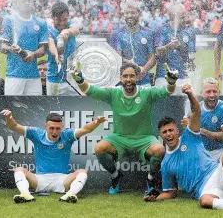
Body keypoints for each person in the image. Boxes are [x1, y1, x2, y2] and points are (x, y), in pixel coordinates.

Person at [144, 84, 223, 213]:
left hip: (219, 174)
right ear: (160, 135)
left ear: (177, 130)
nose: (168, 134)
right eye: (164, 132)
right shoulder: (166, 163)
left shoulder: (190, 136)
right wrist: (154, 198)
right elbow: (170, 192)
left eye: (171, 130)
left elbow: (196, 111)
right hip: (207, 191)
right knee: (204, 201)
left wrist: (190, 94)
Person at [70, 61, 178, 194]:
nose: (128, 79)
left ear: (137, 77)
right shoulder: (113, 93)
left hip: (144, 139)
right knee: (99, 148)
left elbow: (168, 91)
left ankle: (150, 179)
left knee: (160, 150)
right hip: (119, 138)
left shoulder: (147, 92)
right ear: (120, 78)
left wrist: (172, 82)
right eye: (125, 76)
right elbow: (90, 91)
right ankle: (116, 176)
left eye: (131, 76)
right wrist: (80, 80)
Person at [0, 111, 106, 203]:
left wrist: (96, 122)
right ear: (45, 126)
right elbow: (14, 126)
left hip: (62, 180)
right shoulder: (36, 134)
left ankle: (70, 195)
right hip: (39, 179)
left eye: (57, 128)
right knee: (19, 169)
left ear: (62, 127)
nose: (54, 132)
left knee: (82, 171)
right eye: (51, 128)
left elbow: (86, 129)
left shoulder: (67, 135)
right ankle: (25, 195)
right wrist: (9, 117)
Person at [0, 0, 48, 95]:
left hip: (34, 76)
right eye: (23, 1)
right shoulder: (9, 20)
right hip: (14, 75)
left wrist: (33, 54)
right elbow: (3, 46)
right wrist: (13, 49)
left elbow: (43, 49)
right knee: (12, 110)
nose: (27, 3)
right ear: (16, 3)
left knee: (35, 109)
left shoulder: (41, 22)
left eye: (29, 0)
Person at [110, 0, 156, 87]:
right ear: (123, 15)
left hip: (144, 81)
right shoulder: (116, 34)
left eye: (133, 13)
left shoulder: (149, 33)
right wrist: (128, 63)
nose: (129, 15)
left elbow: (153, 57)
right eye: (127, 13)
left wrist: (144, 70)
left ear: (139, 14)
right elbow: (115, 58)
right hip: (124, 82)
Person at [154, 3, 197, 91]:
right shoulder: (162, 30)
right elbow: (157, 52)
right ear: (171, 18)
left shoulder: (190, 32)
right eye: (181, 17)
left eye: (184, 16)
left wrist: (191, 74)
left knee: (187, 104)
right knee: (163, 104)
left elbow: (191, 56)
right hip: (163, 76)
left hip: (183, 77)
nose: (184, 19)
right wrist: (168, 47)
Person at [46, 1, 79, 95]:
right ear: (52, 17)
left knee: (77, 107)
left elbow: (76, 30)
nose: (62, 23)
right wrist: (56, 55)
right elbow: (50, 44)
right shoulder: (48, 29)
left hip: (73, 78)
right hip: (55, 79)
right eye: (58, 20)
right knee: (53, 108)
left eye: (64, 19)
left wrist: (67, 31)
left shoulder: (70, 24)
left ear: (68, 16)